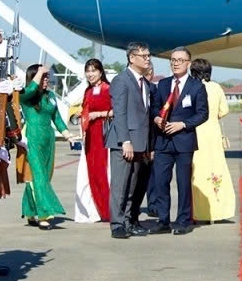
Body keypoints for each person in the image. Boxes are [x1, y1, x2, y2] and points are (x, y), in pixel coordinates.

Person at [147, 48, 209, 235]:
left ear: (189, 63)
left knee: (183, 183)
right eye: (173, 60)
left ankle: (183, 221)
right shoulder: (163, 84)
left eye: (180, 60)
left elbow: (202, 114)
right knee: (160, 182)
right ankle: (163, 220)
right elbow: (154, 107)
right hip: (163, 142)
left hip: (184, 142)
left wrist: (183, 124)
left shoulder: (197, 86)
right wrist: (157, 118)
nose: (176, 63)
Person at [104, 44, 154, 237]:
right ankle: (117, 224)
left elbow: (145, 115)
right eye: (144, 55)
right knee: (120, 185)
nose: (148, 59)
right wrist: (125, 140)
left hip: (140, 143)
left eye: (149, 55)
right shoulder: (121, 81)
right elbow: (120, 113)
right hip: (124, 142)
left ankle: (129, 221)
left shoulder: (144, 83)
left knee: (134, 186)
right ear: (132, 58)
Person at [19, 64, 74, 228]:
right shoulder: (26, 96)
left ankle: (29, 210)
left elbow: (56, 118)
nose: (46, 79)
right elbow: (28, 91)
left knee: (43, 177)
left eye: (46, 76)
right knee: (39, 176)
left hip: (48, 140)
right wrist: (38, 74)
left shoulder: (50, 96)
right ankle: (44, 213)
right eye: (43, 77)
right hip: (32, 138)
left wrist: (67, 134)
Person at [189, 59, 235, 223]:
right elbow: (224, 110)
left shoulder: (192, 87)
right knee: (216, 168)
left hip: (196, 131)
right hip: (213, 134)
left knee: (197, 171)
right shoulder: (216, 87)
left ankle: (198, 211)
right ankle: (218, 210)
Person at [74, 59, 112, 223]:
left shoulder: (108, 89)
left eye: (93, 70)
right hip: (90, 136)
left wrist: (99, 114)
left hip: (104, 134)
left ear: (101, 72)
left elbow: (116, 110)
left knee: (104, 171)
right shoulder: (87, 92)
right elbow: (85, 111)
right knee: (91, 172)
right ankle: (93, 209)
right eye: (88, 71)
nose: (90, 74)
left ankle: (108, 209)